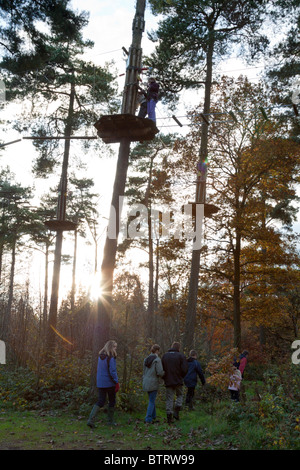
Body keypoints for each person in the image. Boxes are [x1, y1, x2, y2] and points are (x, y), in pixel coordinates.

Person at [87, 340, 119, 428]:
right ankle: (110, 421)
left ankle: (91, 419)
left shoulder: (100, 356)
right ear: (111, 347)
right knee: (112, 401)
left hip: (100, 382)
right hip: (109, 382)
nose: (116, 348)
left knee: (101, 401)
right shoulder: (111, 357)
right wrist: (116, 381)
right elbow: (112, 371)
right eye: (115, 347)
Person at [162, 342, 188, 424]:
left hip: (168, 381)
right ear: (178, 348)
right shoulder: (181, 356)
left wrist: (164, 377)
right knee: (179, 395)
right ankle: (177, 410)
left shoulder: (165, 356)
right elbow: (185, 369)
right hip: (178, 381)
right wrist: (181, 376)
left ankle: (169, 416)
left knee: (169, 398)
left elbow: (162, 369)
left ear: (171, 346)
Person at [142, 344, 165, 424]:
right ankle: (148, 419)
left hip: (146, 382)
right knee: (152, 401)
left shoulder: (146, 359)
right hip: (153, 382)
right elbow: (160, 372)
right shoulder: (157, 360)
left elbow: (144, 371)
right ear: (157, 351)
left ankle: (153, 416)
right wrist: (165, 373)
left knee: (152, 399)